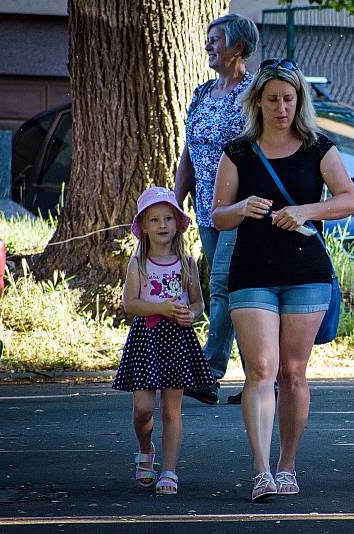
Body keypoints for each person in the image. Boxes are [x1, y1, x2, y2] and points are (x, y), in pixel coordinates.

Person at [211, 58, 354, 501]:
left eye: (288, 99)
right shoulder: (237, 150)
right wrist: (241, 209)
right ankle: (260, 470)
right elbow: (217, 215)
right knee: (260, 370)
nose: (281, 107)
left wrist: (306, 211)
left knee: (293, 373)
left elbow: (350, 199)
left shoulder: (318, 147)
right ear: (258, 101)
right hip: (251, 273)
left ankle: (287, 464)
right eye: (272, 99)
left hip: (305, 273)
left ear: (299, 100)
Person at [175, 13, 259, 405]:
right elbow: (189, 151)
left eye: (216, 39)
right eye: (208, 39)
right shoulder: (202, 93)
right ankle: (263, 377)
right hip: (208, 210)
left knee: (223, 286)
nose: (208, 45)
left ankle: (209, 372)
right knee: (236, 291)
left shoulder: (253, 94)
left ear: (238, 48)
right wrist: (175, 201)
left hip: (241, 209)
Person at [112, 186, 215, 495]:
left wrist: (191, 315)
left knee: (172, 410)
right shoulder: (138, 263)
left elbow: (198, 304)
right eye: (154, 220)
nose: (162, 226)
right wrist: (161, 308)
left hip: (177, 339)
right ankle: (146, 450)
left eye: (168, 219)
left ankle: (169, 470)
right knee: (143, 408)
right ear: (143, 226)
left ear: (177, 224)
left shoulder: (186, 262)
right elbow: (130, 304)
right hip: (147, 338)